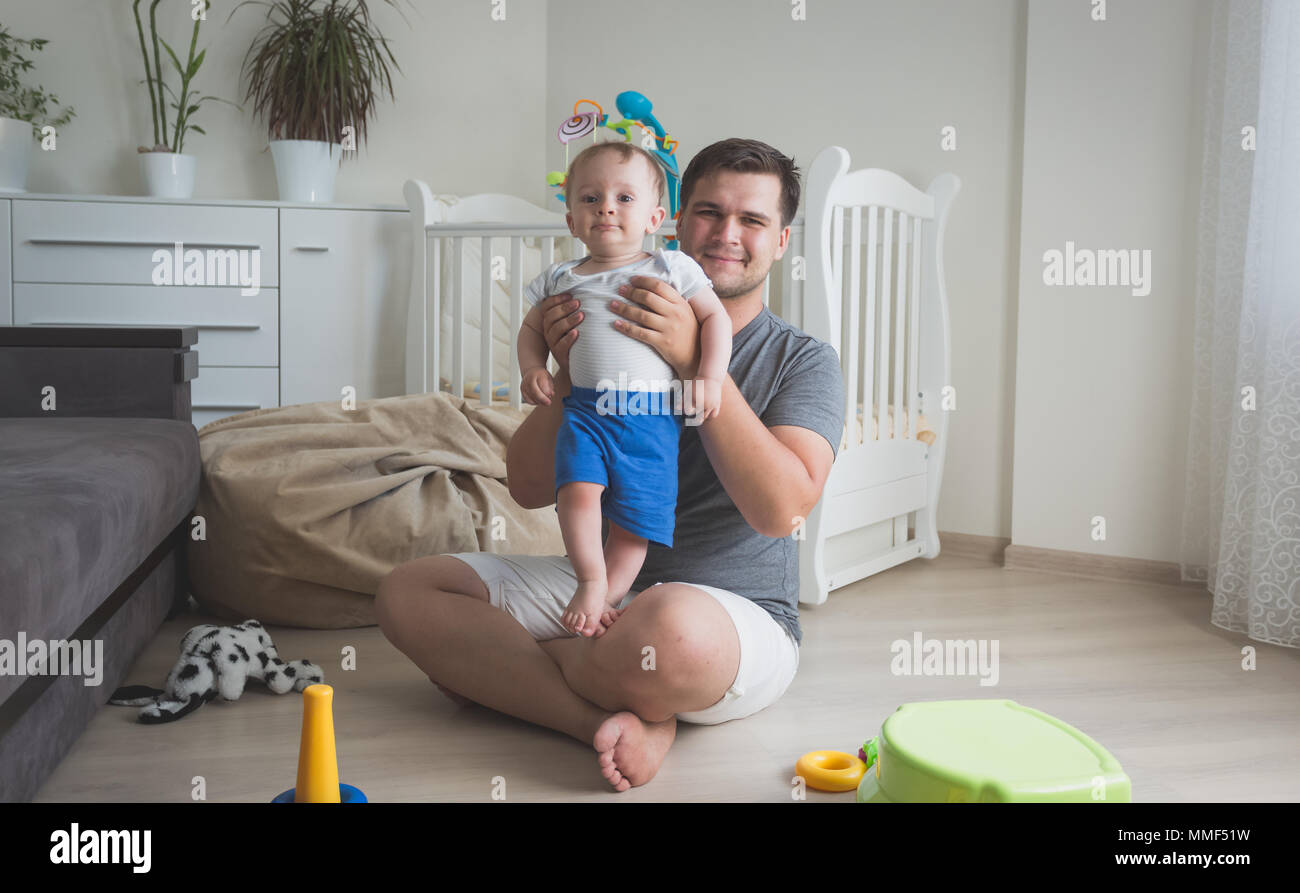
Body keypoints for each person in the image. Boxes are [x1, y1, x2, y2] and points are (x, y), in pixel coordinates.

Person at [376, 138, 846, 792]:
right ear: (675, 220)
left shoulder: (804, 360)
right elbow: (528, 484)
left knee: (673, 634)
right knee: (408, 593)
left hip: (725, 615)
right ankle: (621, 717)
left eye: (753, 221)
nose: (727, 234)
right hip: (593, 587)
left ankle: (506, 671)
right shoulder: (601, 305)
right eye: (709, 212)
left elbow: (782, 510)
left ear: (782, 241)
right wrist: (566, 375)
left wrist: (691, 359)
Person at [517, 140, 731, 638]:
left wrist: (710, 377)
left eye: (624, 198)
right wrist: (534, 367)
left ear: (656, 217)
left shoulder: (669, 267)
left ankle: (605, 597)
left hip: (650, 416)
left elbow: (714, 318)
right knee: (576, 491)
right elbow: (531, 331)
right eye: (590, 198)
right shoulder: (561, 277)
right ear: (571, 220)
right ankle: (591, 580)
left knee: (637, 521)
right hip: (586, 410)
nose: (606, 207)